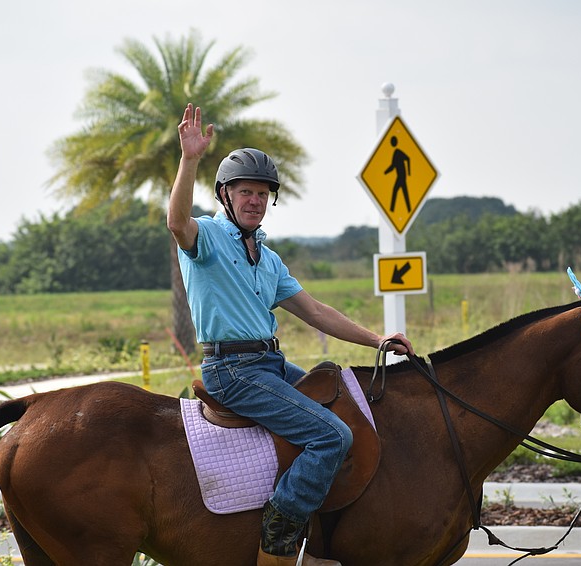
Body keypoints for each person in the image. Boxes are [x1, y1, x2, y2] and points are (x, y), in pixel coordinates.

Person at [167, 103, 414, 566]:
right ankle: (278, 545)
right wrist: (189, 159)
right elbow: (176, 222)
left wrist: (377, 339)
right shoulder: (207, 241)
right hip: (232, 371)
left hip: (270, 364)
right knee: (331, 436)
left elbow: (316, 311)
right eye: (245, 192)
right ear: (225, 195)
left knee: (353, 405)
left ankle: (328, 535)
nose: (254, 201)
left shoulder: (269, 258)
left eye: (262, 194)